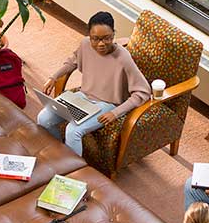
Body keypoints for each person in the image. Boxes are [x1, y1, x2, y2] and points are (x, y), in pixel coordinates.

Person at [38, 11, 150, 156]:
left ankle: (73, 172)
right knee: (43, 118)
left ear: (113, 34)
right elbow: (72, 61)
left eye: (107, 38)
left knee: (73, 131)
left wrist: (115, 113)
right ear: (89, 36)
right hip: (82, 97)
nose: (101, 44)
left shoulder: (123, 57)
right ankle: (60, 155)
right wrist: (53, 77)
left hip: (106, 104)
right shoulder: (85, 44)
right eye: (95, 39)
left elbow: (143, 91)